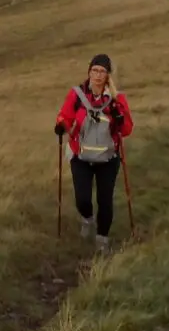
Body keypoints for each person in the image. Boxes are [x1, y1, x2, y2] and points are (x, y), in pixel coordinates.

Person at [55, 53, 132, 254]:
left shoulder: (118, 99)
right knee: (83, 199)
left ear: (108, 76)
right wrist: (60, 126)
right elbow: (64, 116)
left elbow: (126, 130)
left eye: (102, 71)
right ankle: (87, 220)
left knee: (105, 200)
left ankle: (102, 239)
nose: (98, 75)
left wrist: (119, 117)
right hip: (80, 156)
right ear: (89, 72)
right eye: (95, 70)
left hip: (108, 158)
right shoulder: (76, 95)